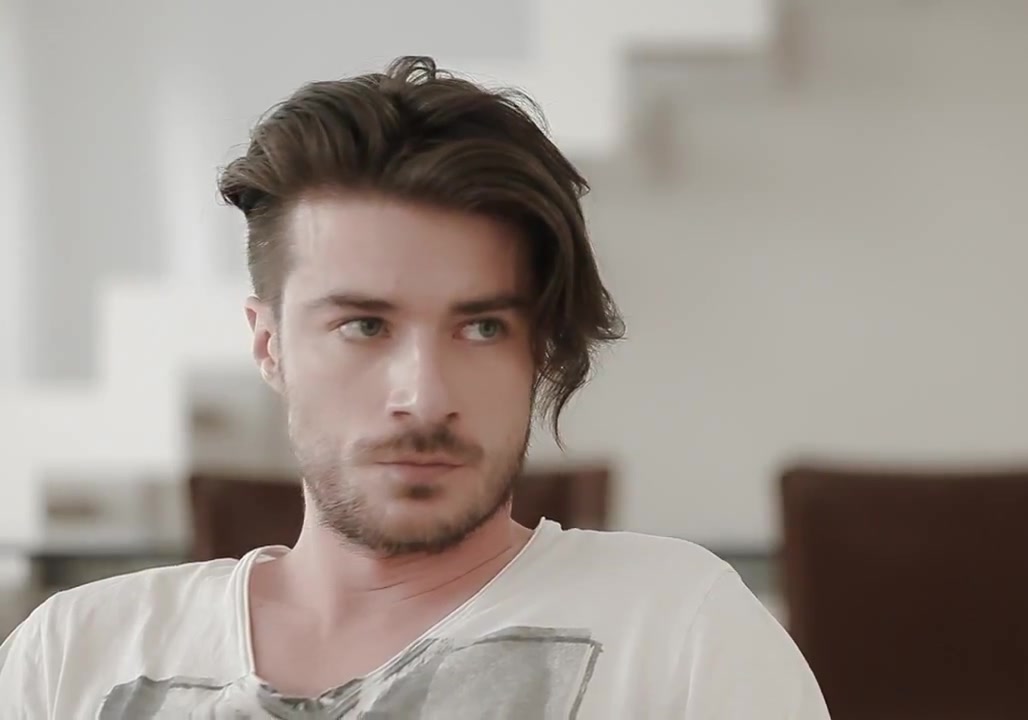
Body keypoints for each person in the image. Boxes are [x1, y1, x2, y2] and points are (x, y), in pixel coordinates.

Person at [0, 56, 829, 718]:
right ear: (269, 344)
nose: (425, 398)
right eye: (365, 326)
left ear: (539, 348)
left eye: (483, 328)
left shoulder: (679, 630)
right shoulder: (75, 652)